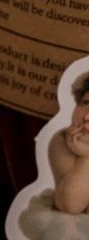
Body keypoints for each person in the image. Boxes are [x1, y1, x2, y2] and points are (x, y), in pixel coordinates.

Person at [50, 71, 89, 215]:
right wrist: (86, 158)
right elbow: (69, 206)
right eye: (85, 103)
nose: (87, 117)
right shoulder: (63, 140)